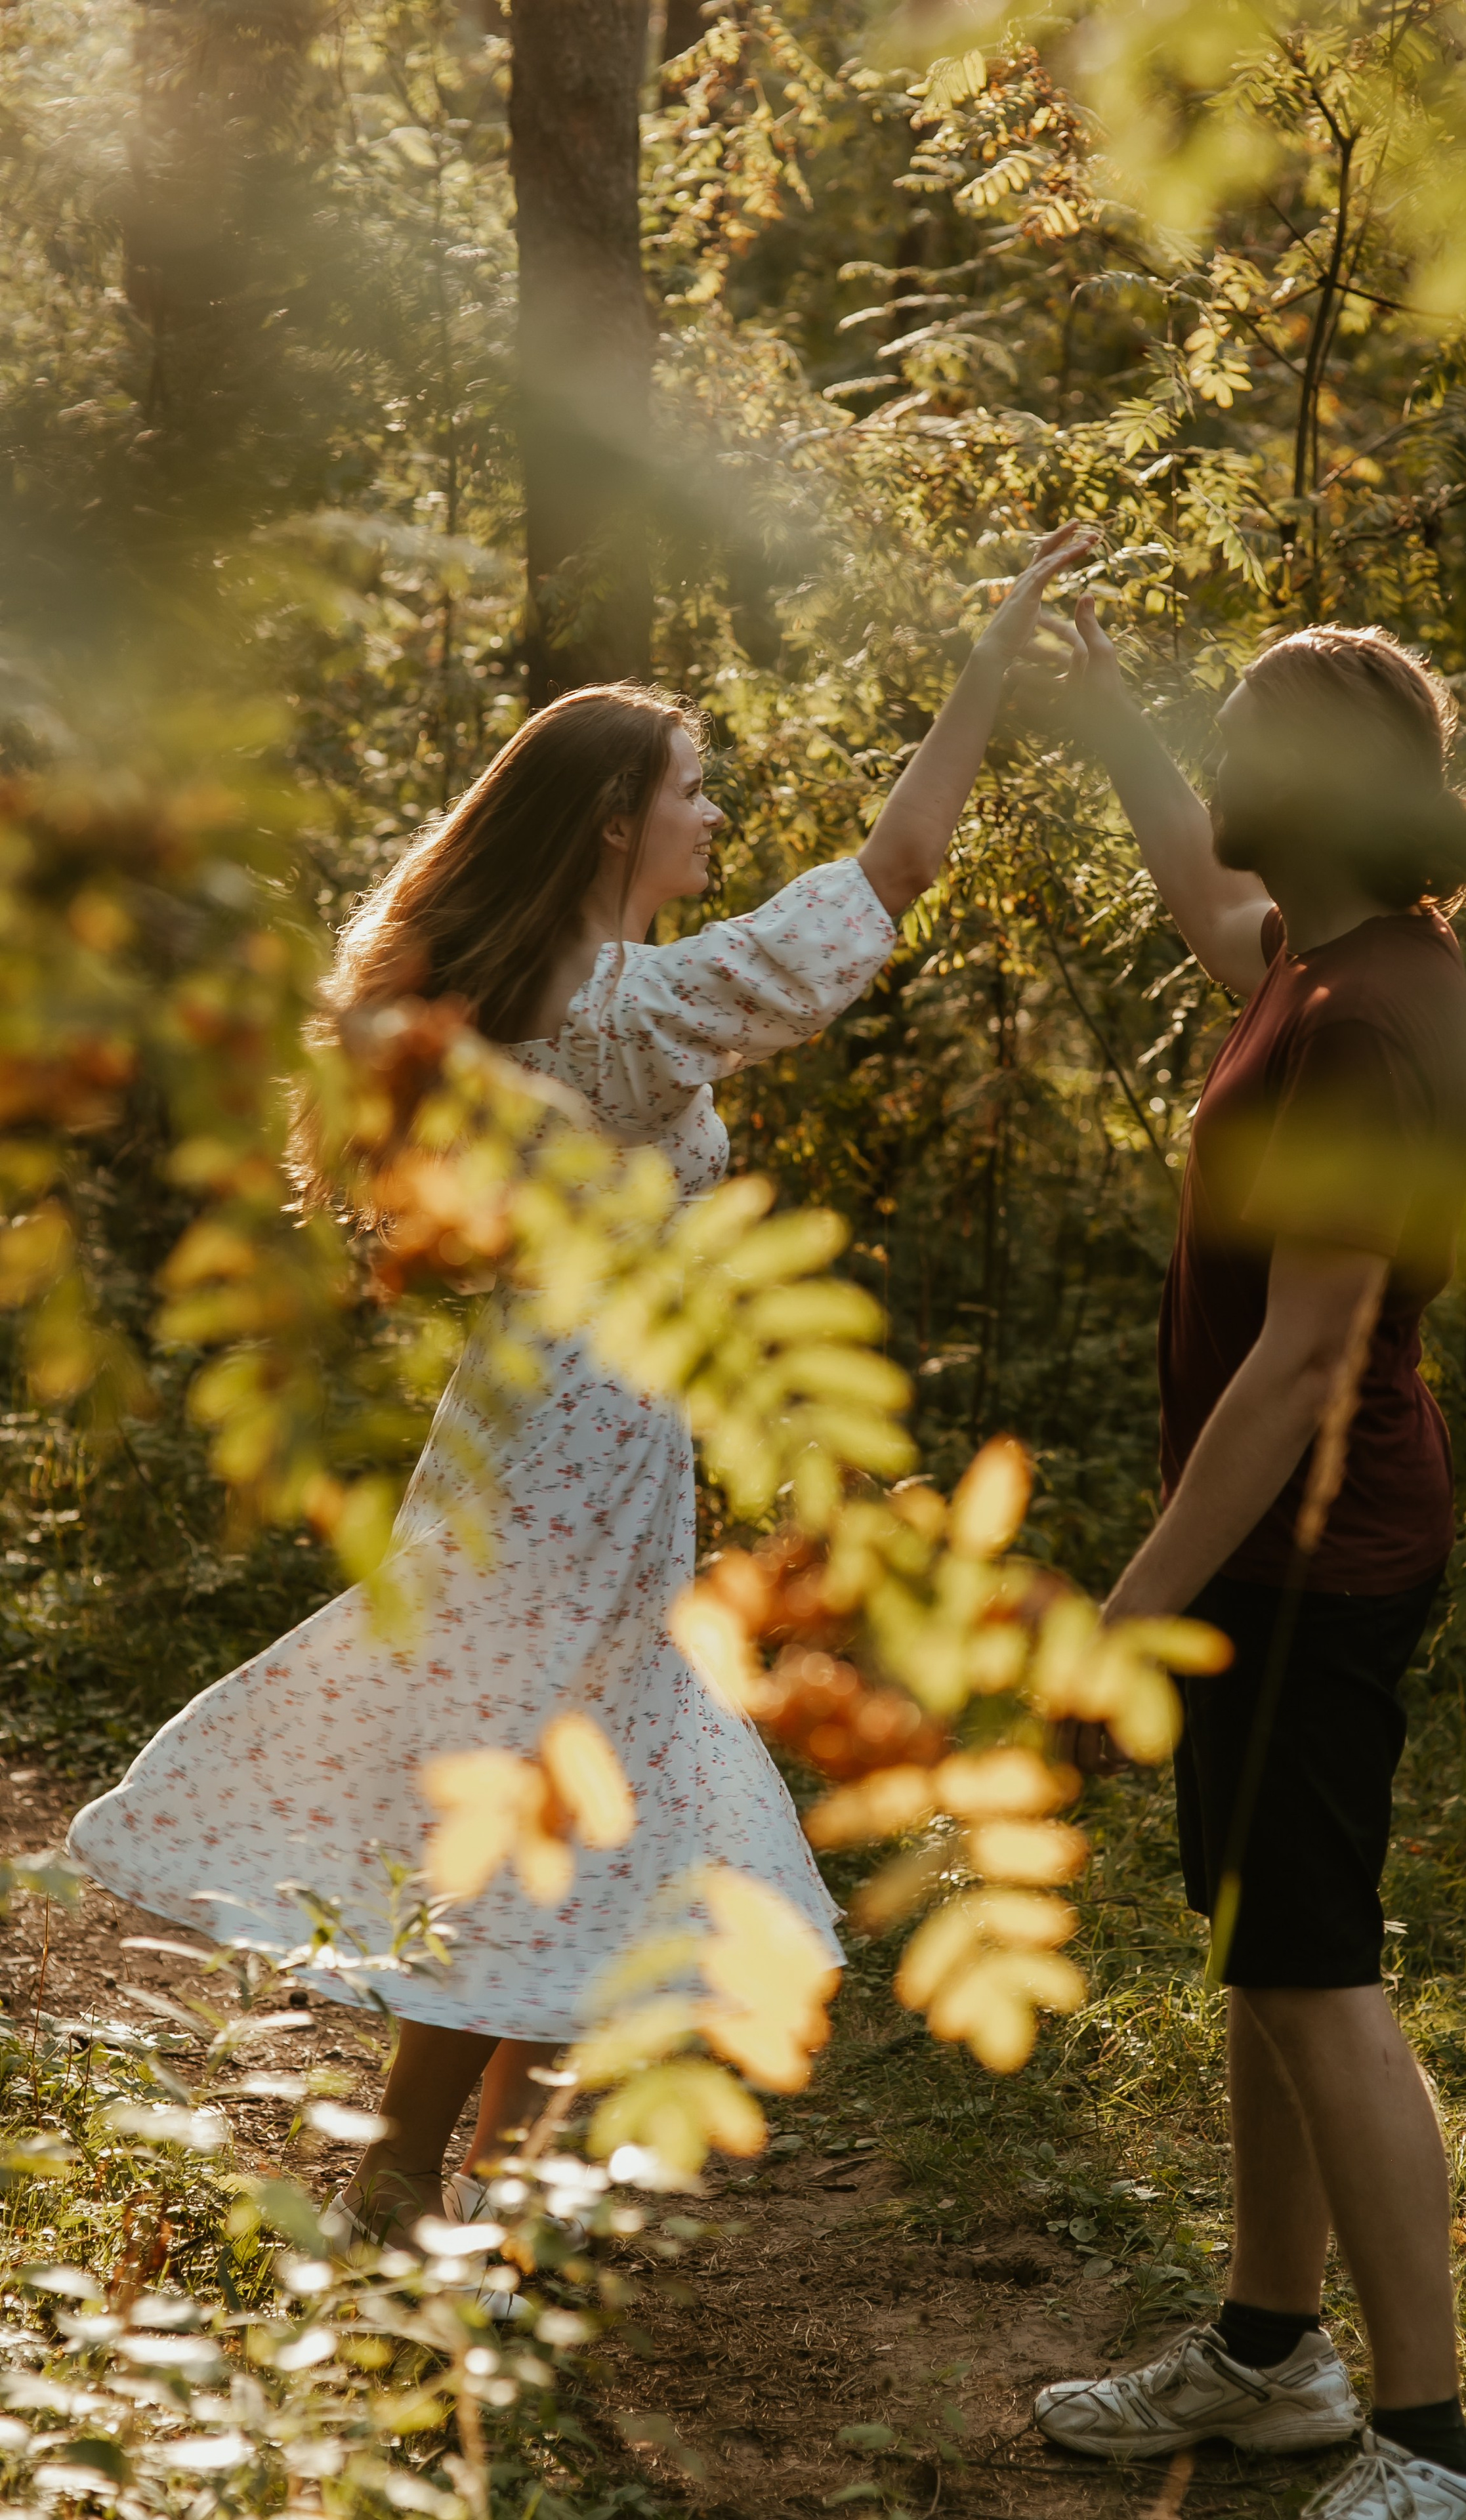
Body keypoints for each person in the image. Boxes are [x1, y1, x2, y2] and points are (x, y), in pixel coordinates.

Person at [68, 522, 1095, 2242]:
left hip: (521, 1422)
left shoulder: (490, 1001)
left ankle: (466, 2179)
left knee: (546, 1775)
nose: (710, 817)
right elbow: (898, 863)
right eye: (691, 789)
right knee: (551, 1776)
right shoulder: (642, 1011)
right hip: (592, 1443)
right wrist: (992, 660)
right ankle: (427, 2170)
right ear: (616, 818)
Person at [1031, 613, 1466, 2520]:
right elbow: (1198, 900)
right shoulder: (1325, 966)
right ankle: (1269, 2352)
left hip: (1313, 1557)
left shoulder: (1363, 1024)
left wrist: (1130, 1612)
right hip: (1280, 1550)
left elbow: (1305, 1361)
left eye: (1234, 737)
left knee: (1316, 1975)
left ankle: (1436, 2446)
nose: (1211, 762)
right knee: (1263, 1956)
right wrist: (1115, 733)